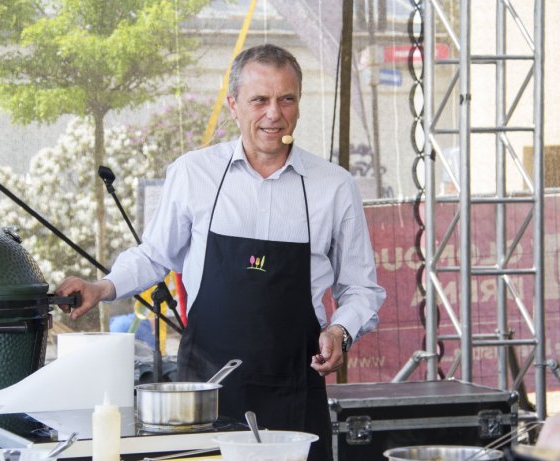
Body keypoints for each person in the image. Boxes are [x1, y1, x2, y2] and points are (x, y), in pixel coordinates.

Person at [56, 43, 385, 461]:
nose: (274, 113)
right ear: (233, 104)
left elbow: (361, 288)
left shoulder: (333, 186)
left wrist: (340, 331)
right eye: (259, 100)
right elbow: (155, 255)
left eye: (287, 99)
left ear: (299, 103)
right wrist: (101, 287)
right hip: (204, 397)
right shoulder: (193, 173)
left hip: (295, 393)